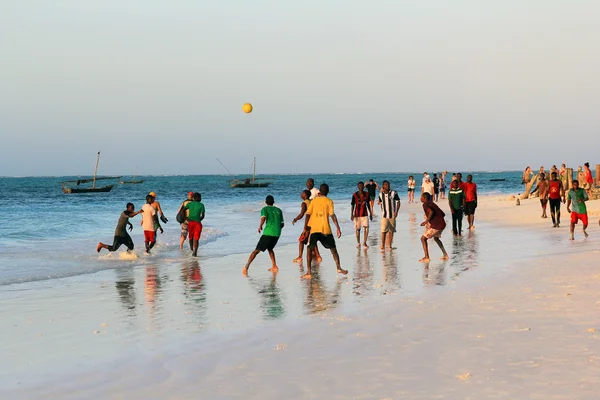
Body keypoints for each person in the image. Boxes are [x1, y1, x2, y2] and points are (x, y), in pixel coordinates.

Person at [302, 183, 347, 279]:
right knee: (333, 249)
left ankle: (309, 272)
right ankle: (339, 268)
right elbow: (332, 215)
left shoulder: (314, 201)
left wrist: (305, 228)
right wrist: (338, 227)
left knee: (309, 249)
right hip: (325, 229)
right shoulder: (329, 201)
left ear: (319, 192)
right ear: (328, 191)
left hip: (314, 229)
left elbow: (308, 214)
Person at [243, 195, 284, 275]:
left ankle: (246, 267)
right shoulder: (279, 210)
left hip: (268, 233)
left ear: (265, 202)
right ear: (273, 202)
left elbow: (263, 218)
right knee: (270, 248)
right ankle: (274, 266)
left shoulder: (264, 209)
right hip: (277, 234)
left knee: (256, 250)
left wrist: (260, 226)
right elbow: (282, 224)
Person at [292, 190, 321, 263]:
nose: (300, 194)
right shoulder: (312, 201)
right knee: (312, 240)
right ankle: (318, 256)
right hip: (316, 223)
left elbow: (302, 214)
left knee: (301, 240)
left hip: (309, 224)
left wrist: (295, 219)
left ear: (305, 195)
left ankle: (300, 257)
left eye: (302, 193)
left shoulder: (304, 203)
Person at [419, 192, 449, 262]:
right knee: (436, 239)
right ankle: (445, 254)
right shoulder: (432, 203)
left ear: (424, 198)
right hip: (442, 224)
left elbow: (431, 212)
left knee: (423, 239)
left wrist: (426, 221)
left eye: (421, 196)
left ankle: (426, 257)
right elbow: (443, 214)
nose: (420, 198)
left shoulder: (425, 204)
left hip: (436, 226)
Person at [378, 180, 401, 250]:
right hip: (384, 215)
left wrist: (396, 211)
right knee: (383, 231)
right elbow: (380, 202)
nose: (387, 186)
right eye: (385, 185)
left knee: (391, 231)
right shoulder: (380, 195)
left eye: (388, 185)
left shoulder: (393, 193)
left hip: (392, 215)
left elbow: (398, 202)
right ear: (383, 186)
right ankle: (383, 245)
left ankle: (390, 245)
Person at [351, 181, 373, 248]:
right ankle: (358, 243)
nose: (360, 187)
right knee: (358, 229)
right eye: (359, 186)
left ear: (364, 187)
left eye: (362, 186)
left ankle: (365, 242)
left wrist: (371, 213)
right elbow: (352, 205)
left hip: (365, 214)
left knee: (366, 228)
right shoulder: (354, 195)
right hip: (357, 215)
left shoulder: (367, 194)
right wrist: (351, 214)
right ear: (358, 187)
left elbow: (368, 204)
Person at [185, 192, 205, 257]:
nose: (201, 198)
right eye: (200, 197)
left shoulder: (190, 204)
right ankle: (195, 253)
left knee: (190, 238)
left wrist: (186, 218)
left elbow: (182, 211)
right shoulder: (201, 205)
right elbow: (203, 216)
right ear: (197, 198)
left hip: (190, 223)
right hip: (197, 224)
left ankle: (192, 250)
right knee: (196, 239)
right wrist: (198, 220)